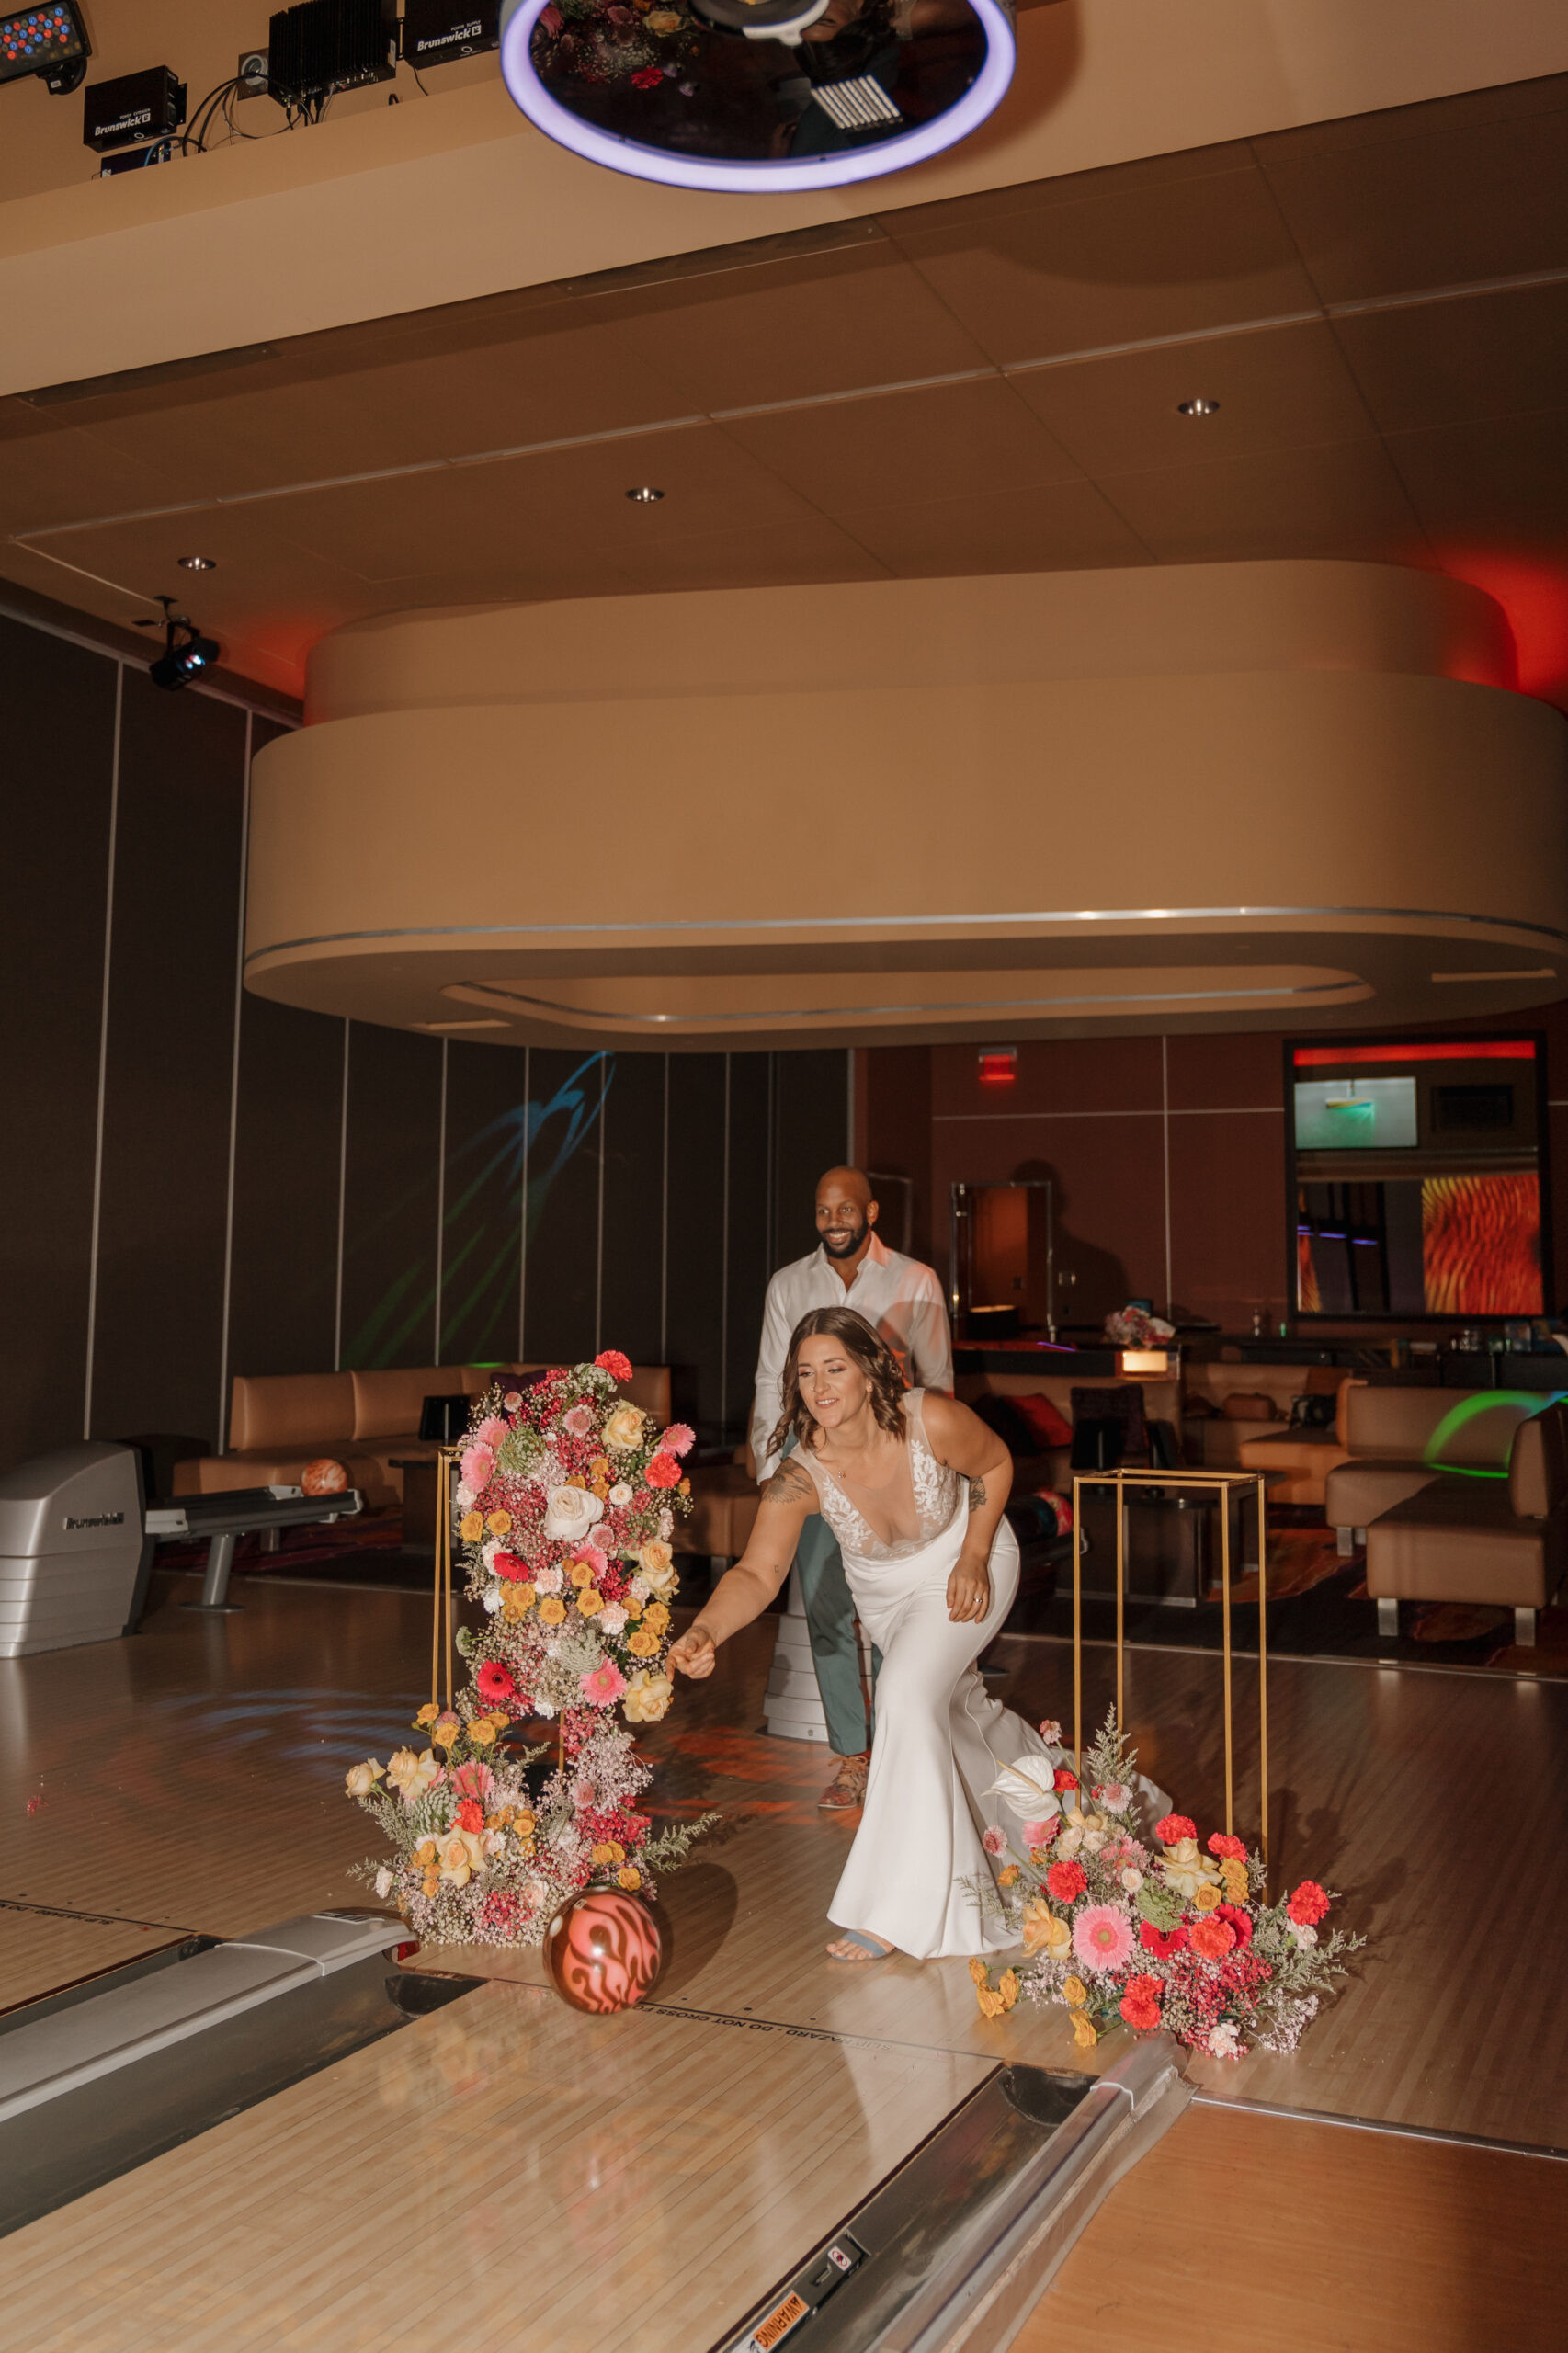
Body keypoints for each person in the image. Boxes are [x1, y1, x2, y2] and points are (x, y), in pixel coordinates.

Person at [674, 1306, 1053, 1962]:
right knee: (948, 1712)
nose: (820, 1387)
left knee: (904, 1695)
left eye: (835, 1368)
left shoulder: (928, 1416)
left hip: (974, 1558)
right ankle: (1048, 1800)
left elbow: (994, 1468)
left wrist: (971, 1556)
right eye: (805, 1374)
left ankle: (900, 1909)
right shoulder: (800, 1474)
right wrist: (706, 1629)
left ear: (870, 1371)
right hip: (888, 1600)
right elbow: (760, 1572)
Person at [751, 1166, 952, 1812]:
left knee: (900, 1605)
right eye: (821, 1211)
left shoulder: (915, 1279)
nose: (833, 1221)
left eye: (845, 1209)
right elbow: (768, 1378)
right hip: (812, 1457)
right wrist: (770, 1468)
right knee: (828, 1609)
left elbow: (939, 1381)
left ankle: (906, 1746)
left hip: (895, 1454)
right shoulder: (789, 1283)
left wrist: (940, 1468)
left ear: (870, 1212)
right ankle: (853, 1757)